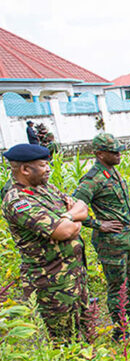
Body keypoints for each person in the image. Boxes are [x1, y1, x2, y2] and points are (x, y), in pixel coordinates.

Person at [2, 143, 89, 342]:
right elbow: (64, 231)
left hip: (74, 276)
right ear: (25, 169)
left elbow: (82, 207)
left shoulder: (46, 189)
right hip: (51, 285)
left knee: (85, 331)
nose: (48, 168)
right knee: (63, 342)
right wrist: (72, 222)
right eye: (43, 165)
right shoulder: (18, 202)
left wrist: (67, 216)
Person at [73, 133, 130, 341]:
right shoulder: (92, 179)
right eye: (113, 152)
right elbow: (73, 208)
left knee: (128, 282)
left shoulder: (112, 173)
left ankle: (129, 321)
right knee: (117, 285)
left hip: (125, 239)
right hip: (111, 243)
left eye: (119, 150)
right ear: (99, 154)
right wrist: (99, 224)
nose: (119, 154)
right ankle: (120, 331)